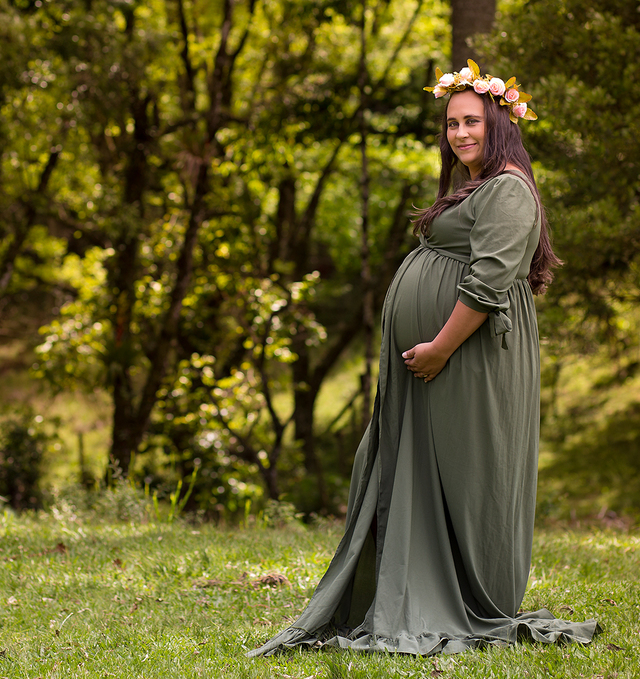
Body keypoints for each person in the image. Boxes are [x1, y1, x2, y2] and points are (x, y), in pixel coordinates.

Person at [247, 62, 602, 657]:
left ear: (500, 124)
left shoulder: (510, 188)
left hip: (468, 360)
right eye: (451, 123)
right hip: (441, 364)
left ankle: (462, 596)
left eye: (472, 121)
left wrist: (439, 345)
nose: (460, 132)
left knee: (465, 474)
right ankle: (404, 589)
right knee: (404, 468)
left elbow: (488, 282)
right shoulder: (474, 185)